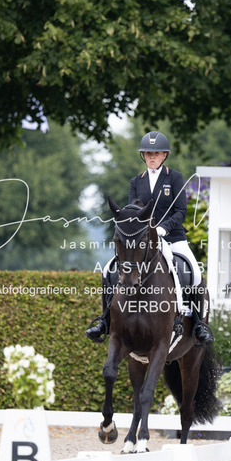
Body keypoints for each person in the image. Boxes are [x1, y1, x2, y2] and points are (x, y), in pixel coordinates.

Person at [86, 130, 214, 346]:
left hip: (172, 237)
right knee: (108, 270)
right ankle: (105, 320)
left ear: (164, 155)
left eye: (156, 153)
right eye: (148, 154)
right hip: (143, 241)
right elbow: (132, 211)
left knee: (194, 272)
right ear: (143, 156)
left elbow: (181, 211)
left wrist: (163, 228)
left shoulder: (174, 178)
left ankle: (199, 324)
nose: (152, 157)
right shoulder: (137, 181)